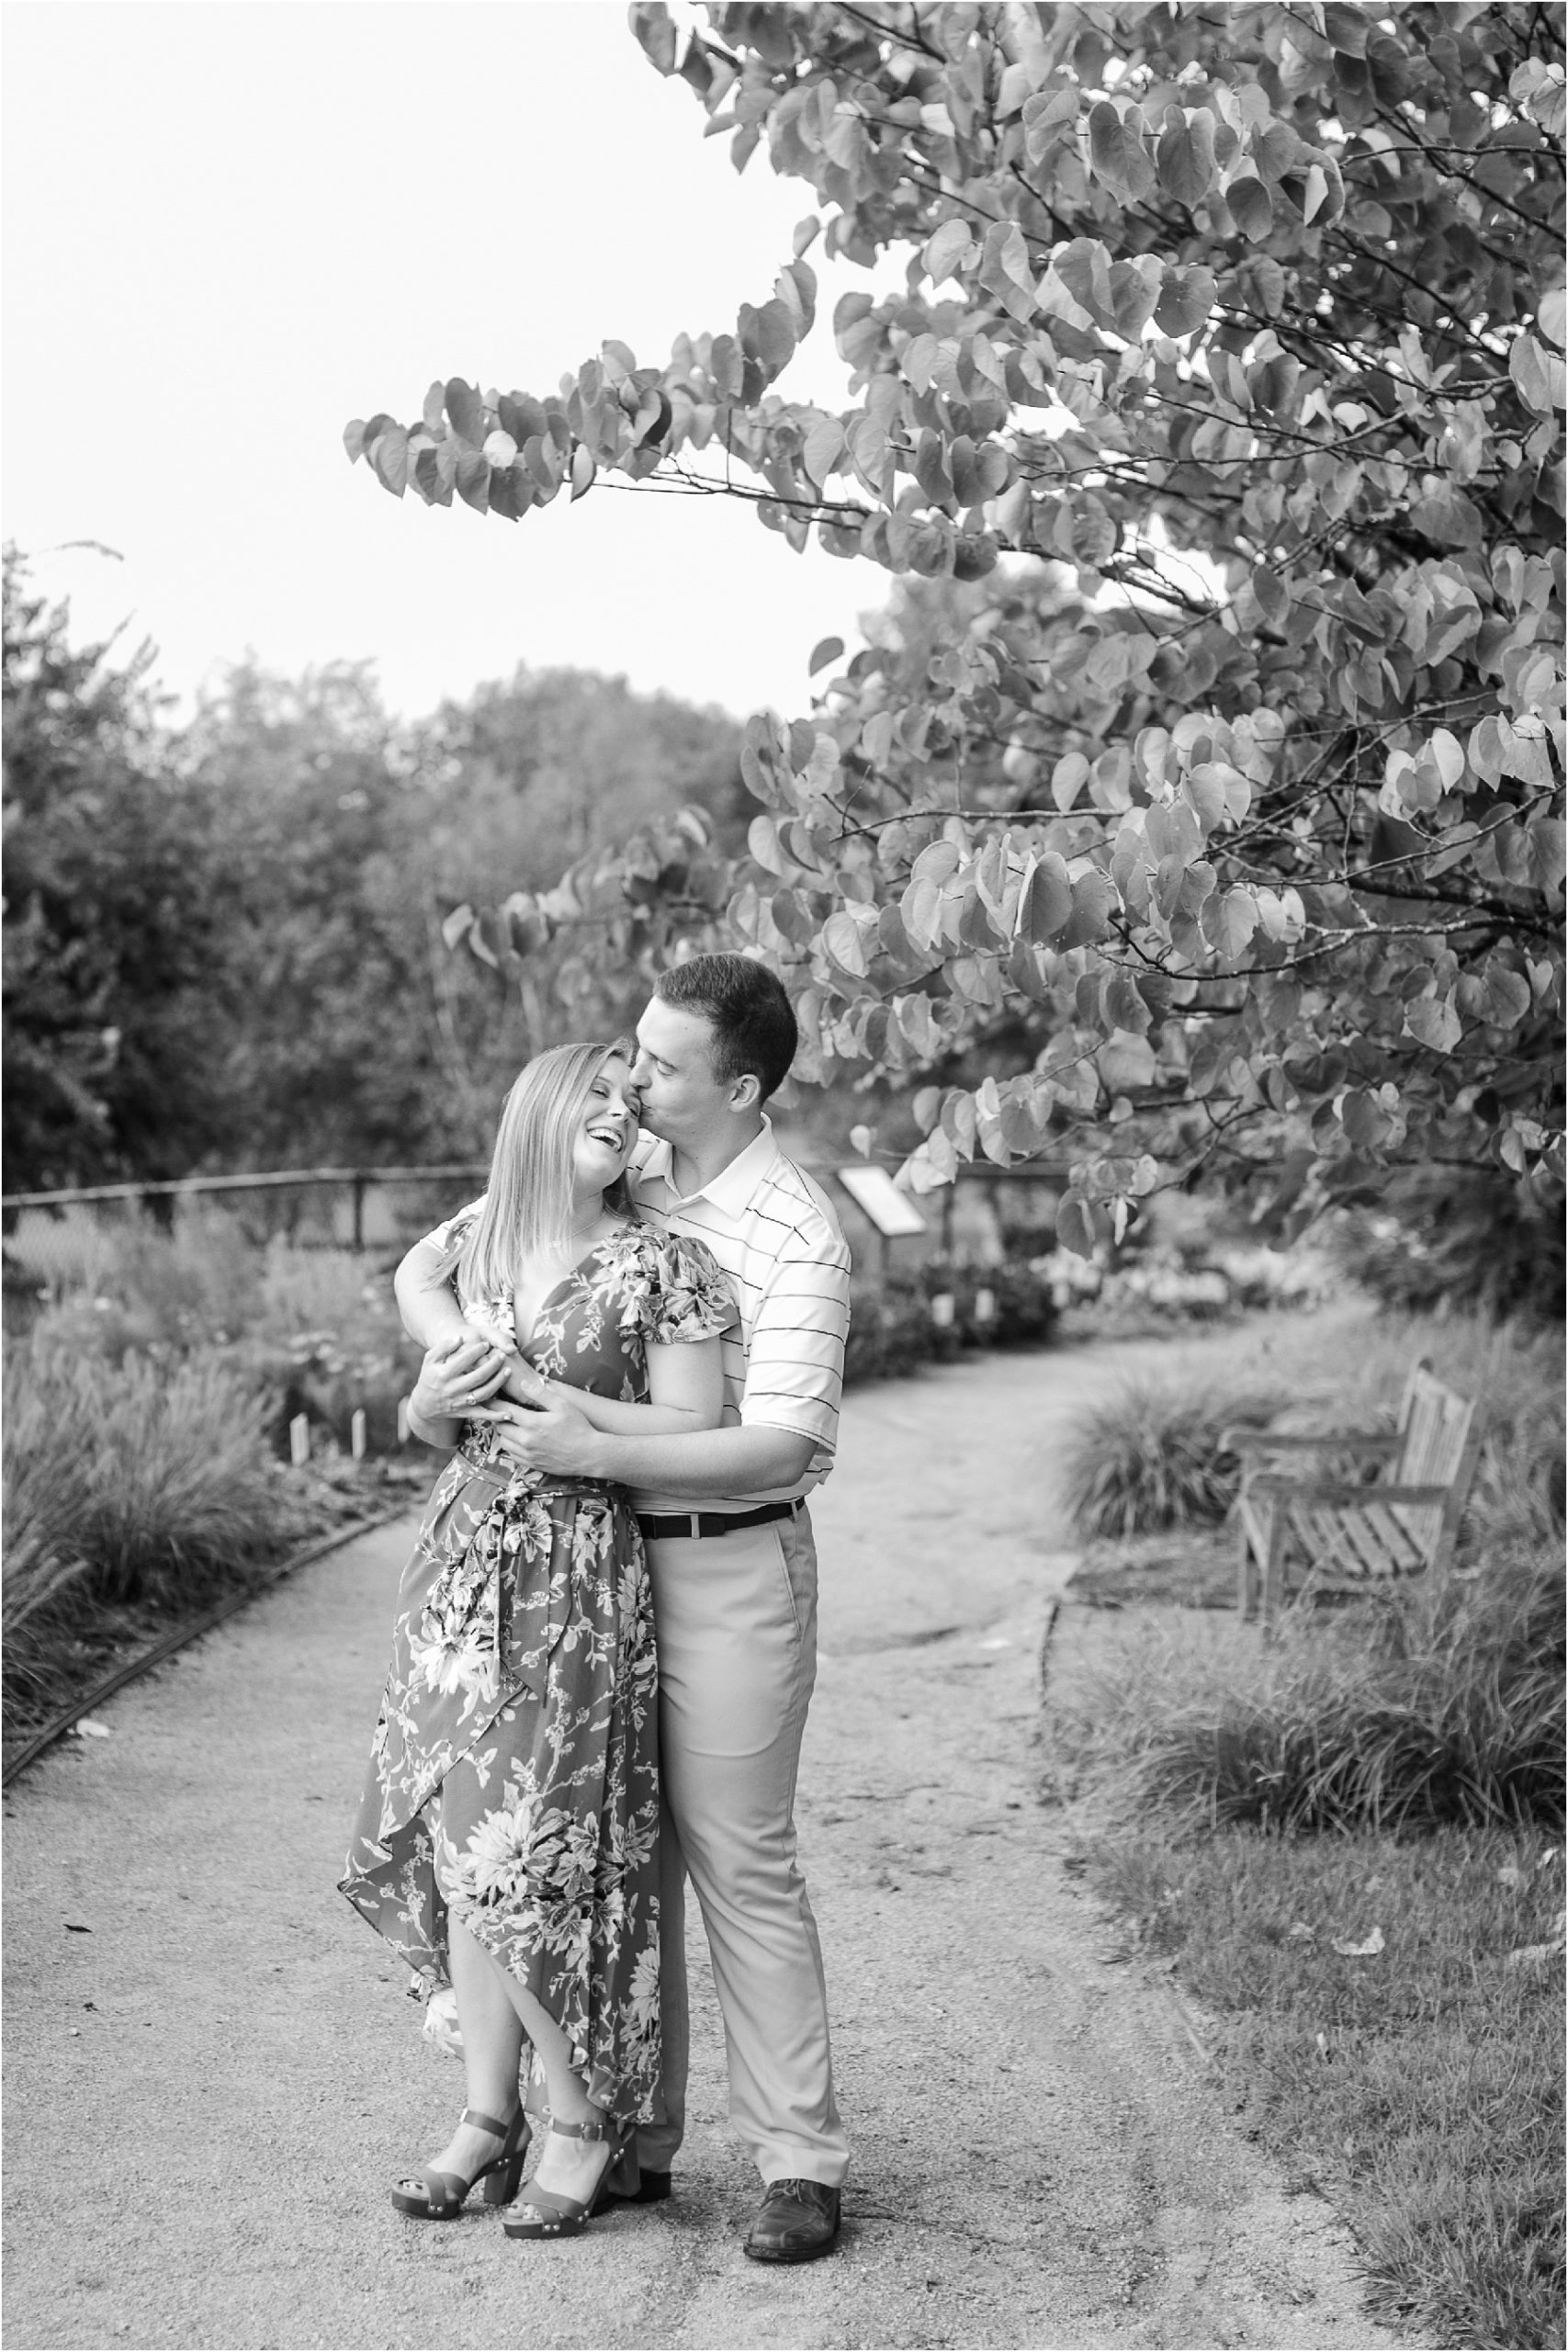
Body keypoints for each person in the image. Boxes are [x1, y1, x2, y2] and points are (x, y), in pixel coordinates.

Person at [397, 955, 852, 2264]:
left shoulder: (793, 1230)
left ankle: (798, 2164)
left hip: (718, 1563)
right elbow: (440, 1266)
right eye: (633, 1055)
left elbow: (779, 1446)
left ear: (740, 1087)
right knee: (596, 1857)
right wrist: (446, 1376)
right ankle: (630, 2137)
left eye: (659, 1063)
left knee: (735, 1862)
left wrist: (589, 1448)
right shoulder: (624, 1171)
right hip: (571, 1575)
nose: (633, 1075)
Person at [340, 1041, 737, 2244]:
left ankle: (576, 2119)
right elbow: (424, 1380)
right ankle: (484, 2116)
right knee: (467, 1845)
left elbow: (696, 1420)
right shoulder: (482, 1240)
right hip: (458, 1575)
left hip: (576, 1579)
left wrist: (561, 1413)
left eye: (633, 1102)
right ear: (536, 1115)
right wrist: (434, 1395)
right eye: (598, 1095)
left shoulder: (664, 1262)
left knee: (536, 1857)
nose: (621, 1111)